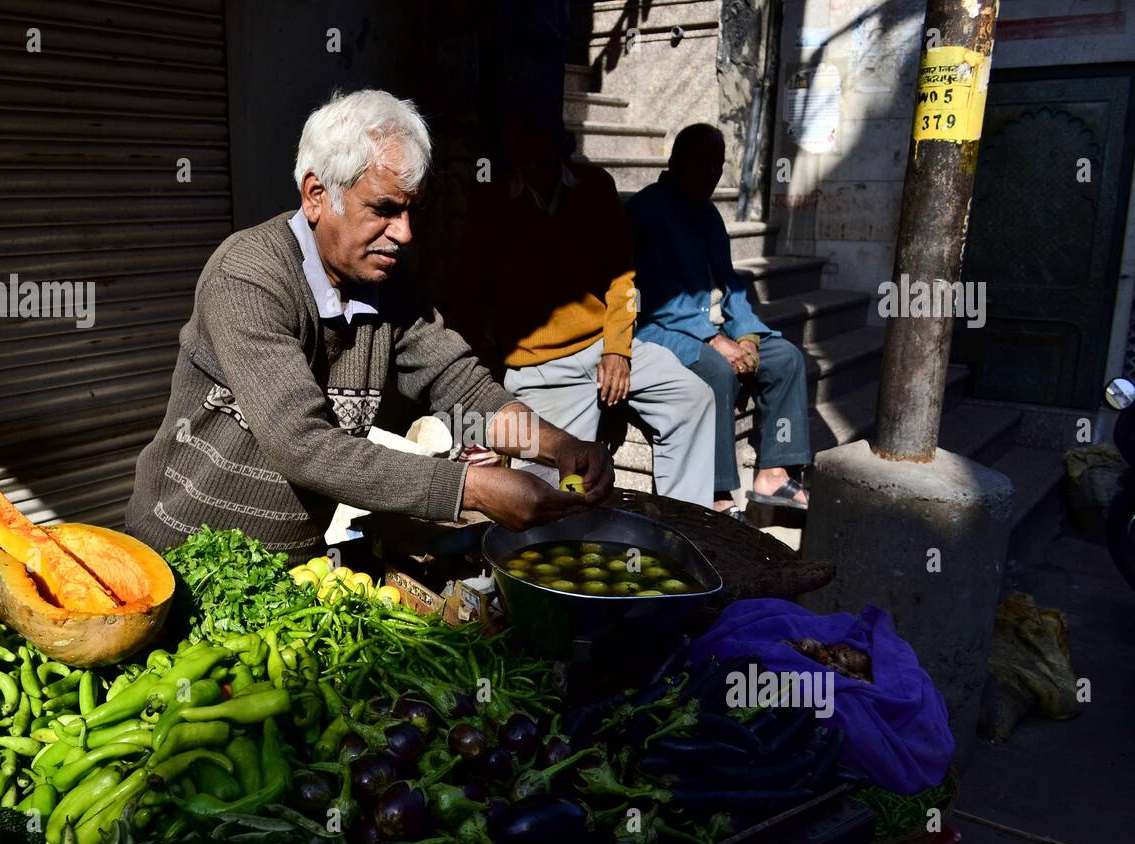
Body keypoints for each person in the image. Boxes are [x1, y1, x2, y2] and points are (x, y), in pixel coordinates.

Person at [125, 90, 614, 561]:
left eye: (412, 210)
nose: (404, 232)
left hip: (293, 569)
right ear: (317, 195)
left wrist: (559, 446)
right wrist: (472, 490)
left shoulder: (389, 287)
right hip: (180, 557)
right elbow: (303, 444)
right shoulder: (248, 275)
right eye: (384, 209)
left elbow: (462, 389)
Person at [452, 110, 718, 508]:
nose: (533, 152)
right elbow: (471, 293)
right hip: (540, 369)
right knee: (548, 497)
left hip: (601, 344)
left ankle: (681, 525)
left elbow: (623, 279)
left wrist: (617, 349)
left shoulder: (594, 187)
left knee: (693, 398)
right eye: (522, 142)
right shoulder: (491, 200)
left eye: (544, 140)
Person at [627, 123, 810, 521]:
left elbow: (730, 280)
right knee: (716, 371)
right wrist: (713, 341)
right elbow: (657, 297)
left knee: (786, 358)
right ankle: (716, 492)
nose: (712, 172)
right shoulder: (646, 209)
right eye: (702, 162)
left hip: (704, 326)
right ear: (675, 162)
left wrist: (746, 335)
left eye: (718, 164)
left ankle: (772, 474)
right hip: (657, 327)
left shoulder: (707, 214)